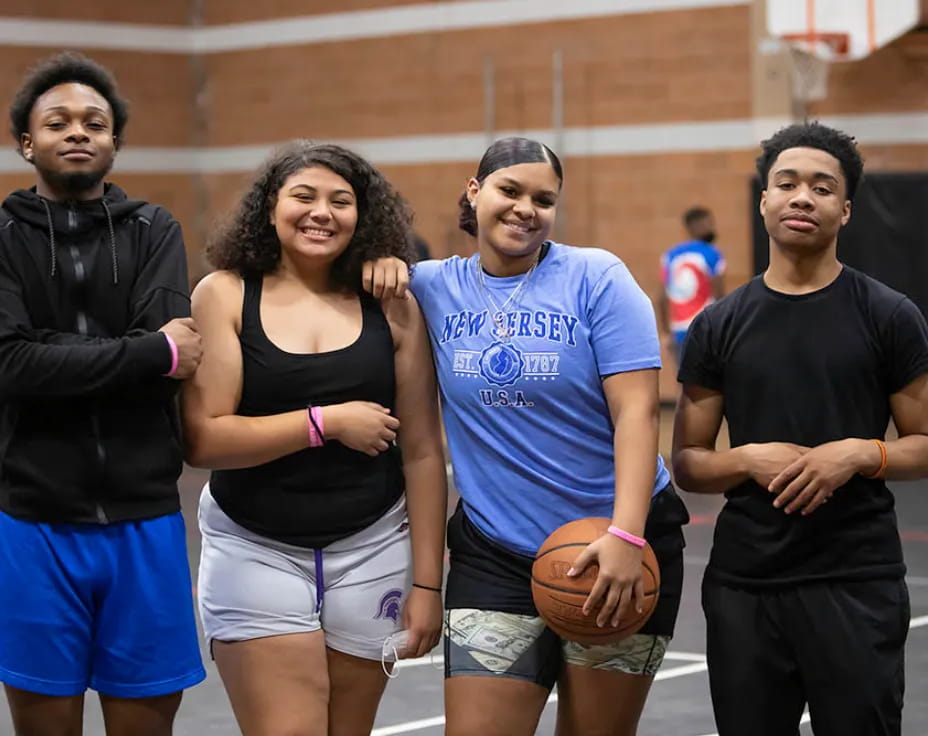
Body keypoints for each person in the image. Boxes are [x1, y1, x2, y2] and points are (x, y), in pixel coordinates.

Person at [365, 137, 689, 736]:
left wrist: (626, 535)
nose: (525, 209)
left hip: (613, 544)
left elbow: (638, 413)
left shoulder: (597, 277)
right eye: (510, 190)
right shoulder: (430, 286)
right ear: (474, 192)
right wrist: (379, 260)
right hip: (496, 552)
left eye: (544, 200)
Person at [181, 141, 447, 736]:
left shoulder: (393, 305)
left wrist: (428, 583)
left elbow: (424, 453)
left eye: (340, 201)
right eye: (303, 196)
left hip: (373, 546)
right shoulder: (224, 293)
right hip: (255, 547)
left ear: (362, 216)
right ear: (270, 208)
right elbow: (205, 440)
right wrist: (324, 423)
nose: (321, 212)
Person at [672, 122, 928, 736]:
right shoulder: (719, 324)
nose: (803, 197)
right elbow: (688, 461)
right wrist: (747, 459)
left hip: (856, 578)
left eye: (822, 187)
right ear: (764, 200)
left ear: (846, 209)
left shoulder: (890, 315)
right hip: (746, 585)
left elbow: (924, 444)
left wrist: (859, 454)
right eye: (787, 184)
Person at [0, 52, 206, 735]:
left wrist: (50, 352)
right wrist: (146, 352)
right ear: (27, 142)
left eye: (94, 122)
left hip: (144, 521)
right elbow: (11, 364)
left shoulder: (155, 229)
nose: (77, 132)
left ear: (115, 142)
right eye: (57, 122)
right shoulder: (2, 237)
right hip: (32, 523)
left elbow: (176, 358)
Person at [657, 206, 725, 365]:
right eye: (708, 223)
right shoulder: (711, 253)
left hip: (679, 330)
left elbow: (662, 297)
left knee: (684, 377)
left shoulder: (670, 256)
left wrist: (666, 332)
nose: (711, 228)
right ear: (694, 226)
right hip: (705, 328)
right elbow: (719, 295)